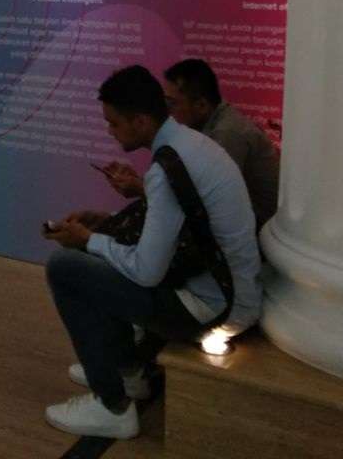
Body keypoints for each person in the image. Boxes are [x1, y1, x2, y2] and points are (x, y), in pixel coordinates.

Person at [42, 65, 262, 440]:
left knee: (65, 267)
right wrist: (104, 225)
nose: (109, 131)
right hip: (231, 294)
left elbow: (147, 271)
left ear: (141, 121)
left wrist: (87, 240)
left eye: (113, 123)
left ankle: (112, 406)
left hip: (216, 308)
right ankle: (129, 373)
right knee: (97, 255)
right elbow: (176, 225)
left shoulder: (169, 165)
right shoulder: (190, 145)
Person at [101, 58, 280, 233]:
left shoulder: (226, 134)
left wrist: (141, 188)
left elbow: (203, 207)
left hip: (256, 231)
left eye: (172, 103)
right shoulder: (205, 126)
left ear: (201, 105)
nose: (165, 110)